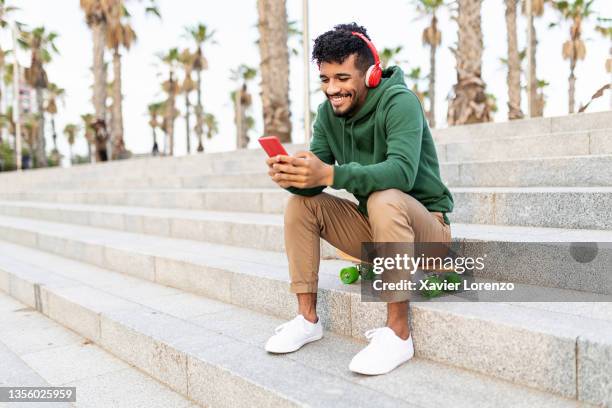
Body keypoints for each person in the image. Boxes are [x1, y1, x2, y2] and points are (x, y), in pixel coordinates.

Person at [264, 22, 453, 375]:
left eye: (342, 78)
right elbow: (315, 180)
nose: (332, 89)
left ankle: (398, 333)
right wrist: (292, 177)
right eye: (325, 79)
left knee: (384, 196)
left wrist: (330, 174)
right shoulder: (327, 115)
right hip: (375, 230)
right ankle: (307, 320)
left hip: (429, 237)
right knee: (301, 205)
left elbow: (401, 173)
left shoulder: (401, 103)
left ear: (370, 73)